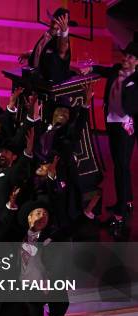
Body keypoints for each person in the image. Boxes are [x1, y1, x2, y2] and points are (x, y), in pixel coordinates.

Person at [81, 42, 138, 234]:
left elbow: (133, 106)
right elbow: (104, 70)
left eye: (130, 57)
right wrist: (91, 68)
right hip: (112, 123)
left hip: (125, 126)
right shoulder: (115, 70)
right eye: (126, 55)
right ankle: (126, 201)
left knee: (122, 167)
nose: (125, 59)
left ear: (137, 62)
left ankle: (120, 213)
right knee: (118, 165)